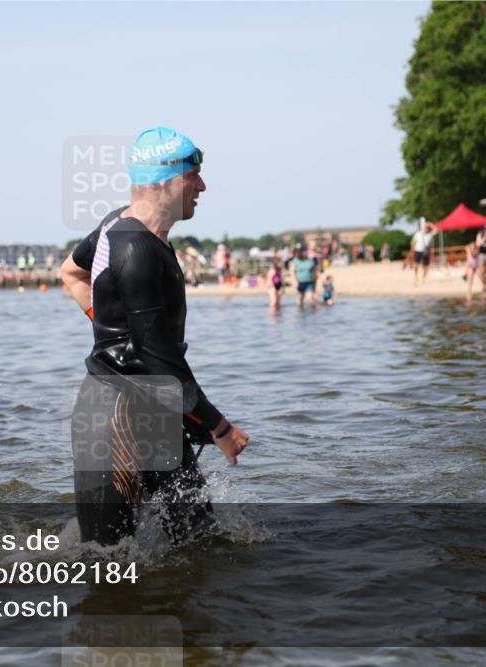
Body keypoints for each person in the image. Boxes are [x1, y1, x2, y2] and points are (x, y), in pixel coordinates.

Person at [59, 126, 250, 546]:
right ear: (163, 182)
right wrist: (219, 428)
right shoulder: (136, 248)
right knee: (105, 563)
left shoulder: (119, 226)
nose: (202, 186)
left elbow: (71, 273)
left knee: (202, 543)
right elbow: (158, 359)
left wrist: (114, 329)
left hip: (154, 407)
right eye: (193, 176)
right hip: (113, 420)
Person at [290, 243, 317, 307]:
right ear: (301, 252)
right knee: (301, 297)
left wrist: (314, 283)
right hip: (300, 283)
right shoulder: (295, 261)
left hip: (309, 282)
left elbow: (314, 272)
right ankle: (300, 310)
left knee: (310, 297)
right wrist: (295, 282)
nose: (306, 252)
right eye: (304, 251)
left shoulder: (311, 261)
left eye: (306, 251)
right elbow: (292, 272)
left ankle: (312, 311)